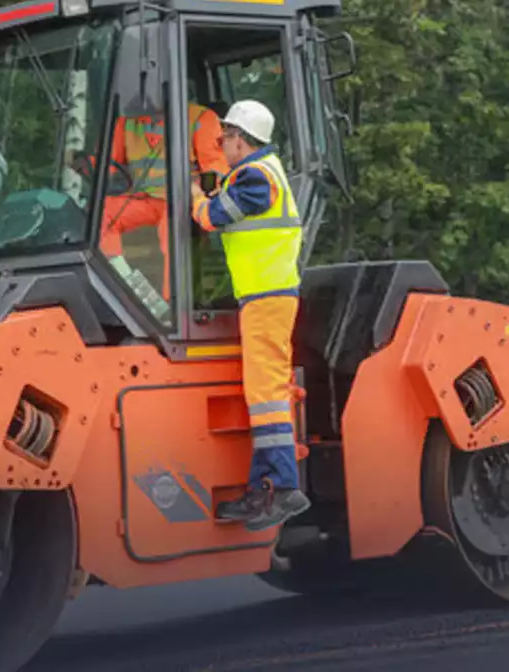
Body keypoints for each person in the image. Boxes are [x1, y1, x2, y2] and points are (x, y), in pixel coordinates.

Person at [189, 100, 310, 532]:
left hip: (267, 297)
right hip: (263, 297)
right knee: (263, 393)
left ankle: (281, 487)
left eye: (225, 139)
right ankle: (266, 487)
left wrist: (194, 195)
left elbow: (213, 216)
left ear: (241, 139)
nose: (221, 146)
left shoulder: (257, 178)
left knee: (267, 395)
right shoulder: (257, 173)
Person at [71, 102, 230, 298]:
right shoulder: (126, 122)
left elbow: (216, 170)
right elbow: (107, 164)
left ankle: (172, 303)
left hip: (184, 200)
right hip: (146, 199)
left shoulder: (200, 118)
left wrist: (206, 201)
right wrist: (81, 163)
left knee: (172, 228)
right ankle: (119, 281)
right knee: (101, 211)